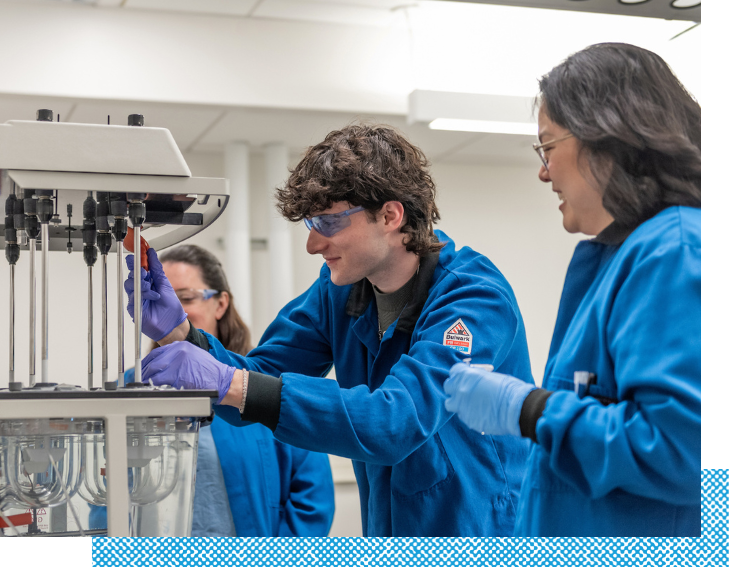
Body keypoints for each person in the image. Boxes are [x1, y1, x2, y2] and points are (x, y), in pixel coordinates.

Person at [125, 124, 532, 536]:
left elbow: (396, 421)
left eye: (329, 222)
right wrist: (181, 334)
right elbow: (262, 375)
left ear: (390, 215)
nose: (313, 245)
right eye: (310, 225)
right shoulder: (339, 293)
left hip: (481, 532)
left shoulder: (473, 300)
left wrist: (233, 383)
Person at [442, 43, 701, 536]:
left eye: (547, 148)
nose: (543, 172)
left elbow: (686, 452)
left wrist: (530, 410)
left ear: (604, 136)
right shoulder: (618, 256)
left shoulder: (676, 250)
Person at [125, 244, 335, 537]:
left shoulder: (262, 382)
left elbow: (312, 499)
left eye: (185, 297)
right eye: (162, 300)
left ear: (220, 303)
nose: (174, 310)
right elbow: (106, 489)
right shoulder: (133, 387)